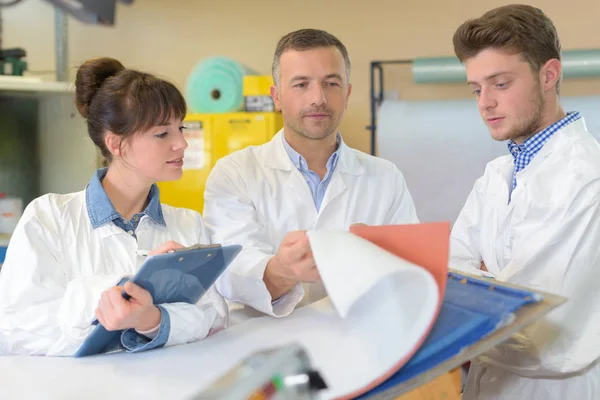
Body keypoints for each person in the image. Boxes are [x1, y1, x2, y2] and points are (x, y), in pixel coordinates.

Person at [0, 58, 227, 356]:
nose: (182, 143)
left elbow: (214, 316)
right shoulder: (48, 217)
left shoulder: (187, 223)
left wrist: (152, 321)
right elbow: (16, 327)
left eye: (180, 128)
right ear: (117, 145)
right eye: (163, 133)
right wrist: (122, 288)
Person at [202, 29, 419, 317]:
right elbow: (231, 274)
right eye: (301, 84)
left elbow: (410, 274)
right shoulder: (234, 174)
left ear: (347, 93)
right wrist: (282, 270)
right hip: (268, 350)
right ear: (276, 97)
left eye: (331, 83)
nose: (318, 98)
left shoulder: (385, 177)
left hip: (361, 341)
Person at [449, 5, 600, 399]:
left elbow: (537, 333)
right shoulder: (496, 176)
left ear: (548, 75)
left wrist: (479, 285)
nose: (485, 104)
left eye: (500, 84)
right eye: (477, 88)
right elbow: (449, 274)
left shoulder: (588, 178)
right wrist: (494, 289)